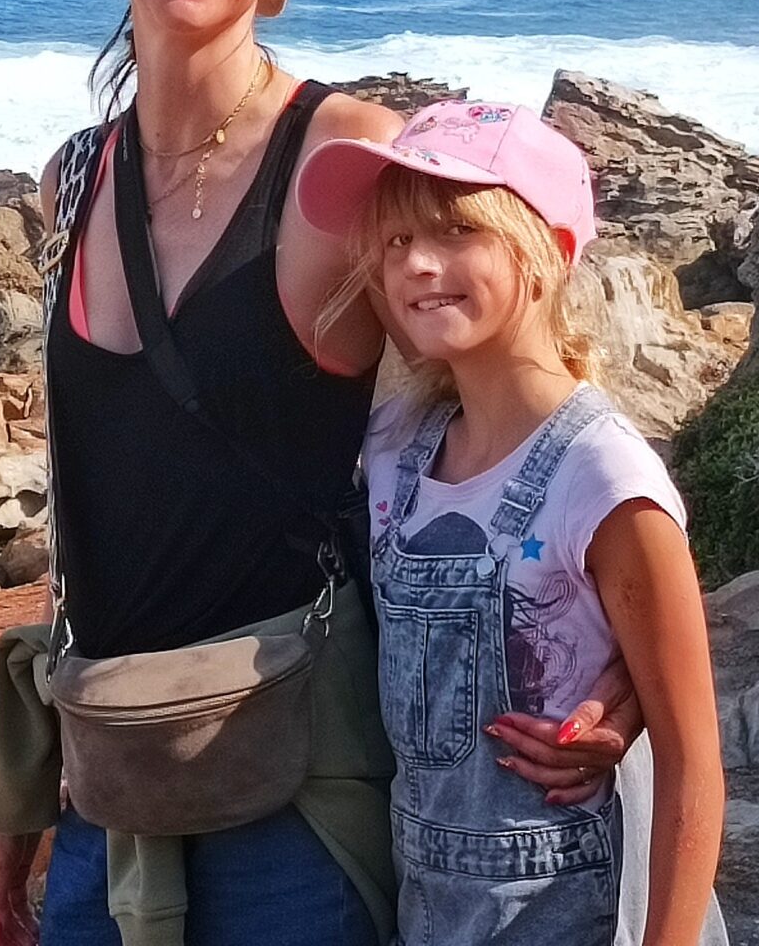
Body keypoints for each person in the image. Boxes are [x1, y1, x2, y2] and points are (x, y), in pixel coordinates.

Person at [0, 0, 642, 946]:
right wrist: (16, 788)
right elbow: (95, 506)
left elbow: (531, 411)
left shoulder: (348, 164)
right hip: (110, 781)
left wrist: (623, 665)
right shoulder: (73, 177)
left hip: (294, 797)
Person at [293, 100, 725, 945]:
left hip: (568, 916)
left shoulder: (604, 477)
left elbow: (693, 764)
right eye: (393, 240)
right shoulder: (398, 449)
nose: (416, 263)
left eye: (457, 230)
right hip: (429, 912)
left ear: (547, 251)